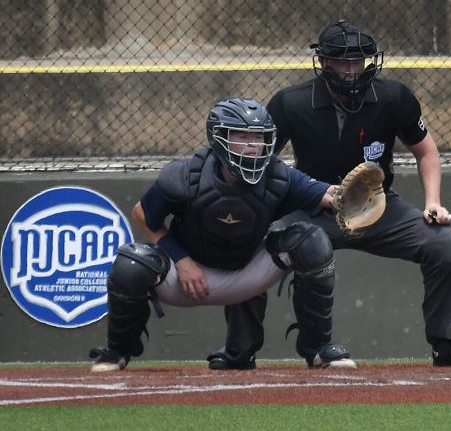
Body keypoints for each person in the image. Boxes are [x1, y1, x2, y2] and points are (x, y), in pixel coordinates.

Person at [212, 20, 451, 369]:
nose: (353, 70)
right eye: (343, 62)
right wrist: (257, 211)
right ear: (324, 63)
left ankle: (448, 344)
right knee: (247, 247)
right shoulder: (290, 103)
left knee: (449, 248)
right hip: (312, 207)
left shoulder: (393, 97)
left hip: (377, 205)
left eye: (359, 61)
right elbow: (261, 165)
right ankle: (243, 350)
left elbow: (426, 152)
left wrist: (432, 203)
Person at [89, 98, 356, 372]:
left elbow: (328, 195)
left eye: (259, 137)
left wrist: (353, 195)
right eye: (242, 136)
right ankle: (117, 352)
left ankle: (318, 349)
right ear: (219, 137)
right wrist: (181, 261)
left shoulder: (278, 176)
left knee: (311, 240)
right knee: (131, 263)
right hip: (186, 278)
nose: (253, 146)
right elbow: (142, 214)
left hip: (245, 273)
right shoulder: (186, 174)